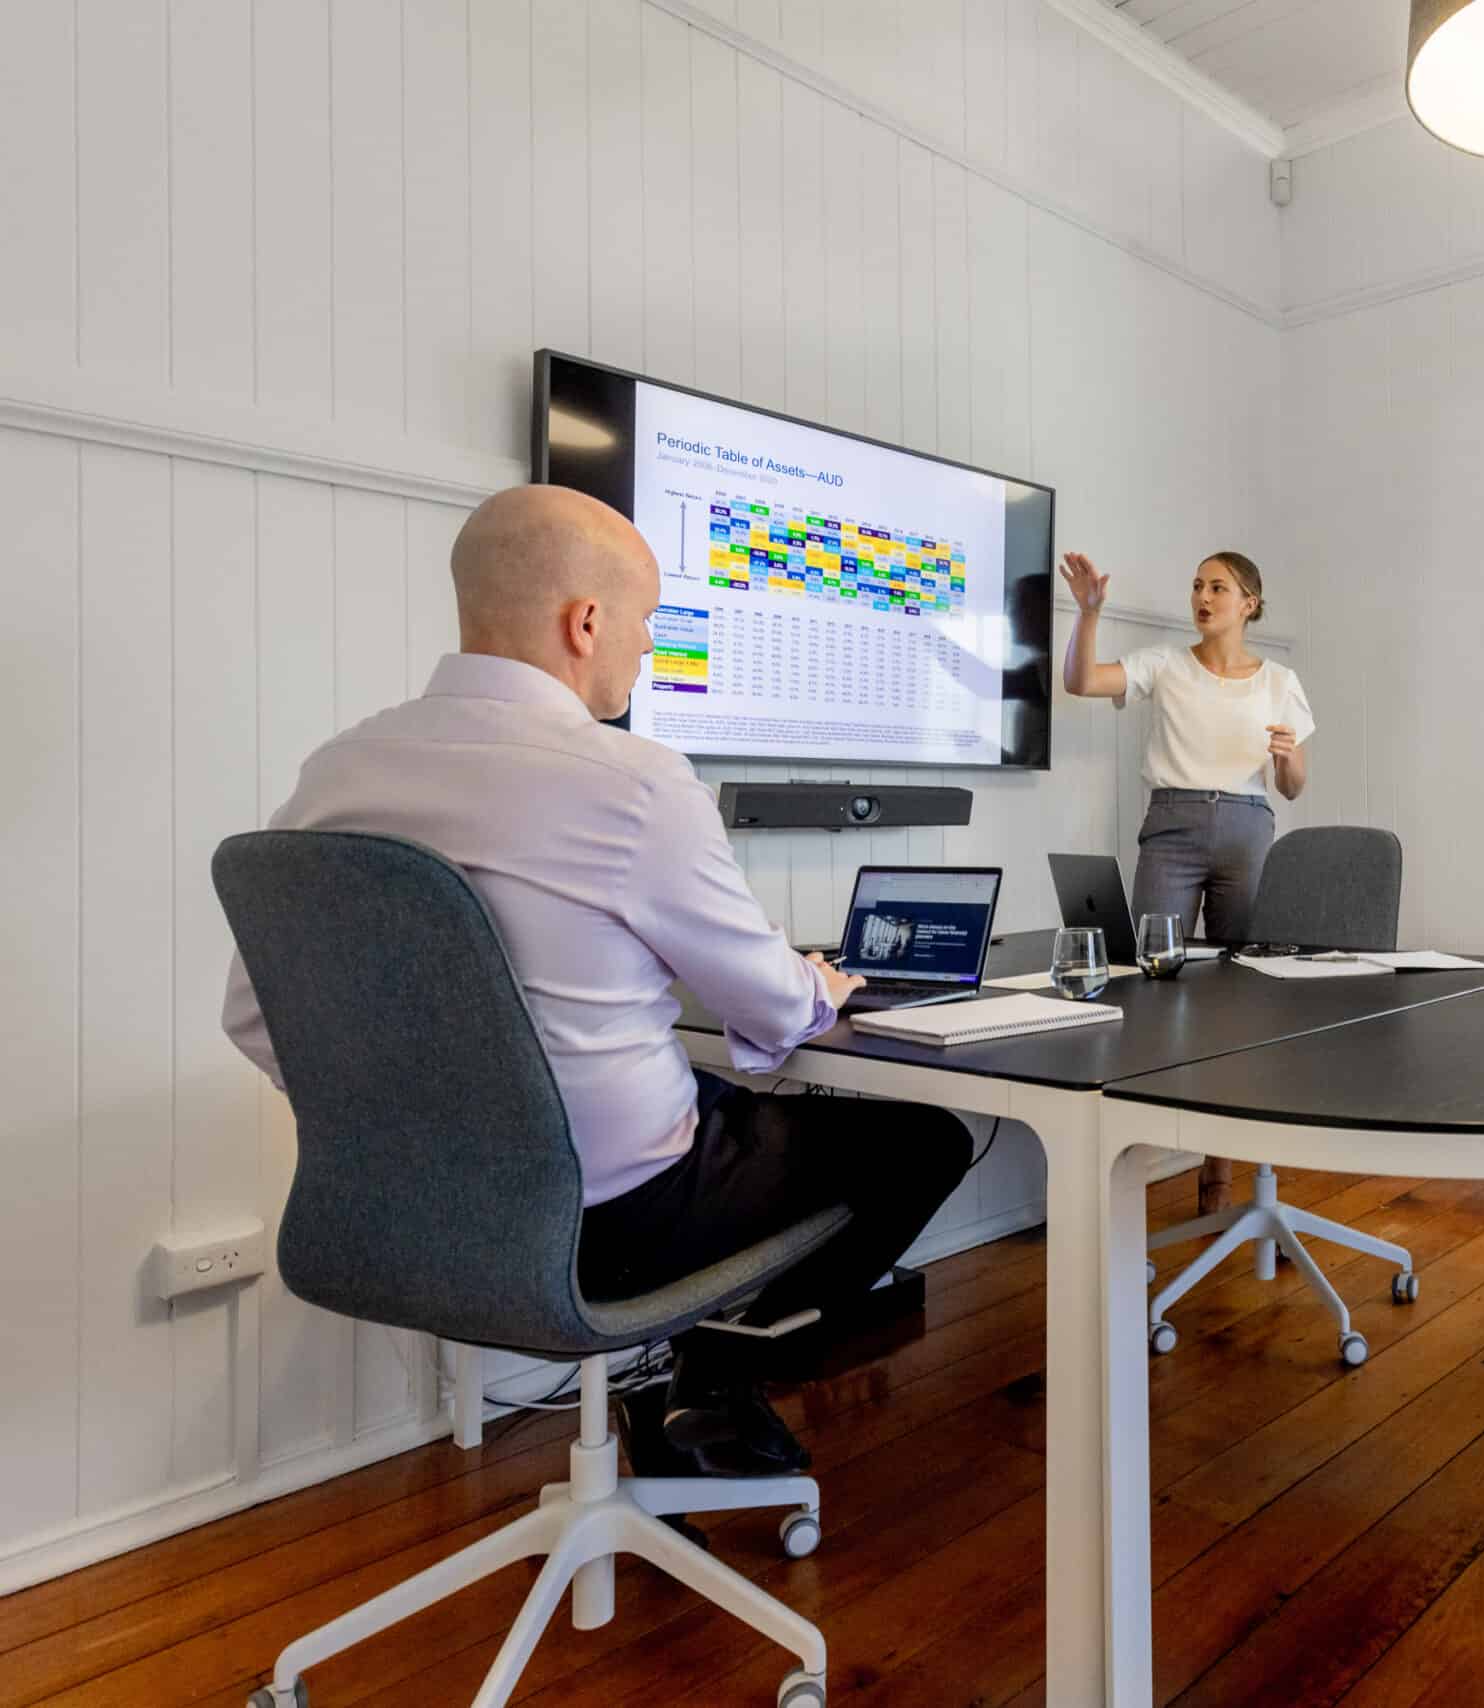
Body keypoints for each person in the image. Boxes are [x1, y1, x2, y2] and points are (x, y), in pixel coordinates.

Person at [222, 485, 973, 1475]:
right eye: (650, 621)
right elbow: (773, 1006)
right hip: (622, 1219)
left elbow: (253, 1016)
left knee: (714, 1096)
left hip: (399, 1210)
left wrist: (427, 1133)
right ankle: (709, 1375)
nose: (652, 648)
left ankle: (692, 1391)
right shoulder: (634, 781)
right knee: (922, 1137)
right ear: (585, 622)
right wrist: (821, 984)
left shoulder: (338, 768)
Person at [1057, 547, 1313, 1214]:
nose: (1203, 597)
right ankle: (1134, 1160)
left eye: (1218, 587)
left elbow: (1292, 784)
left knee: (1245, 997)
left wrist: (1285, 760)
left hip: (1249, 827)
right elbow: (1082, 682)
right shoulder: (1164, 664)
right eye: (1197, 586)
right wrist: (1088, 616)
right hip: (1170, 825)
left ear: (1249, 603)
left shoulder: (1280, 680)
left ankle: (1226, 1170)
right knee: (1151, 984)